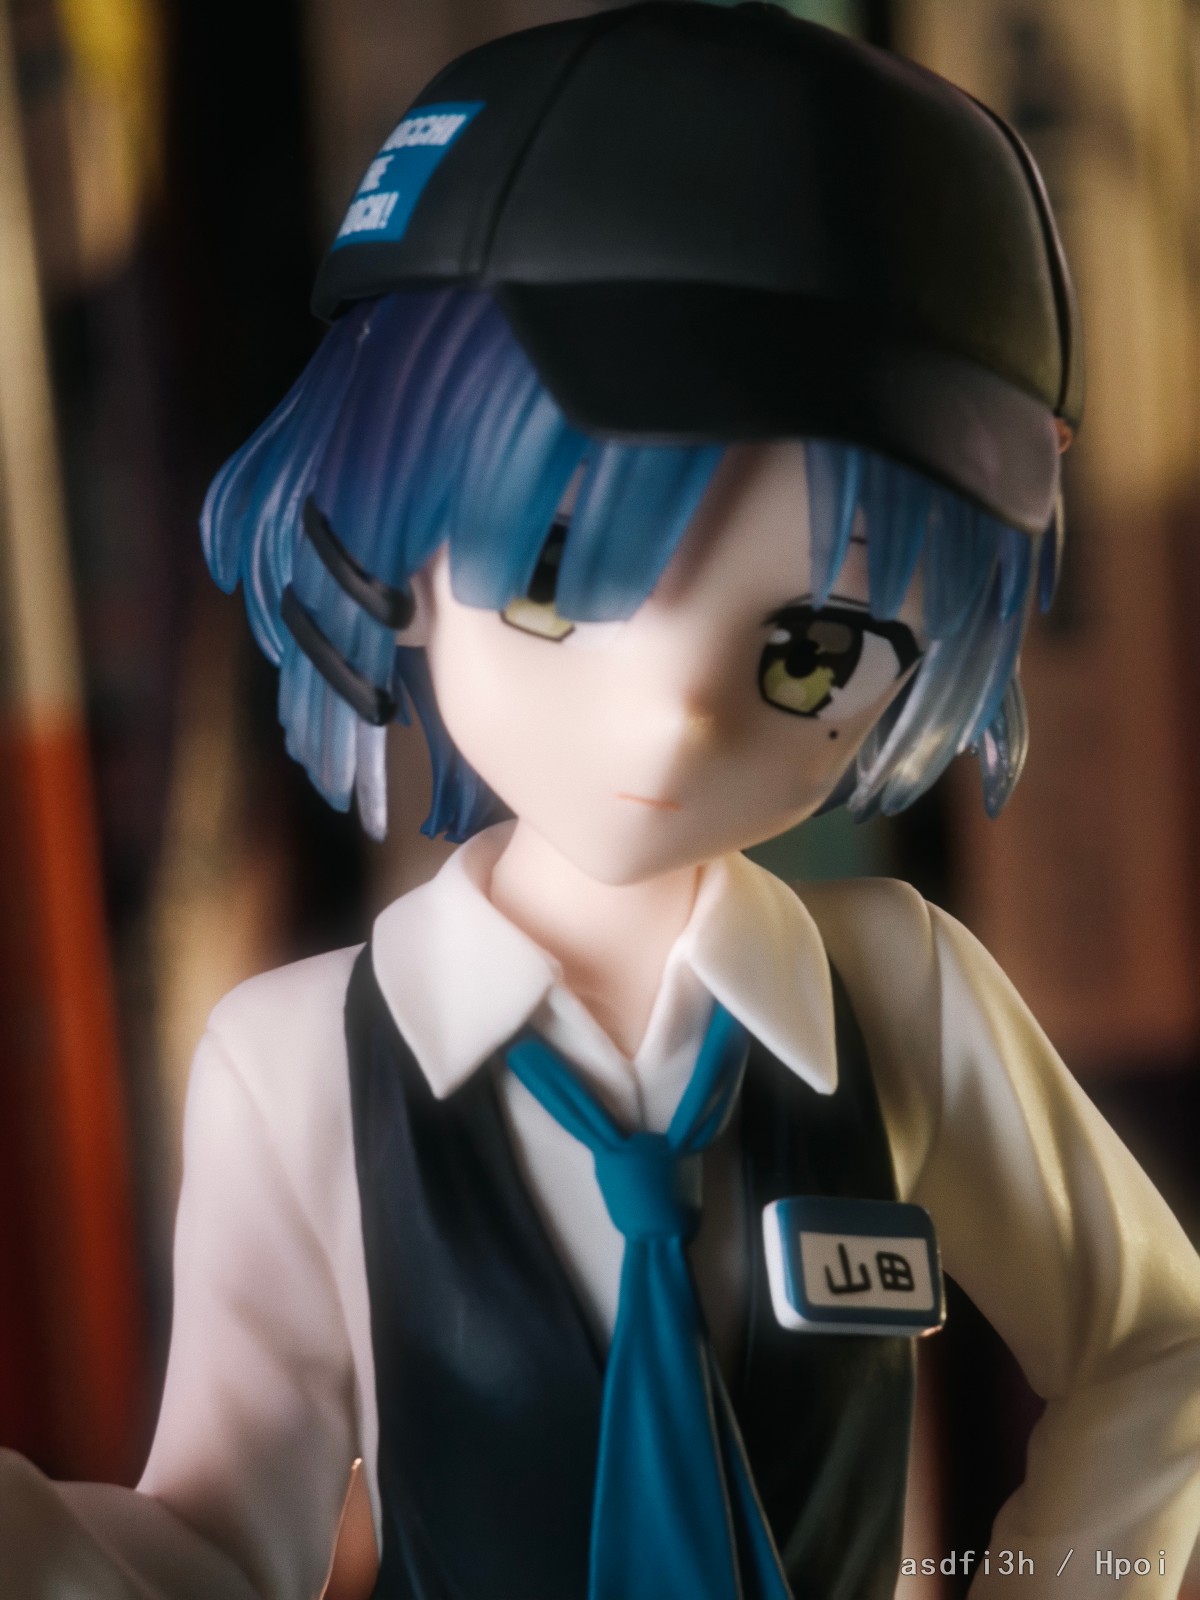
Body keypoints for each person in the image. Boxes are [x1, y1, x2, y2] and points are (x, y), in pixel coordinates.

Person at [3, 6, 1199, 1599]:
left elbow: (1161, 1346)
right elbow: (225, 1541)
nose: (675, 712)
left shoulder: (904, 1005)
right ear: (391, 538)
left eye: (813, 651)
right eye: (558, 582)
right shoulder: (295, 1073)